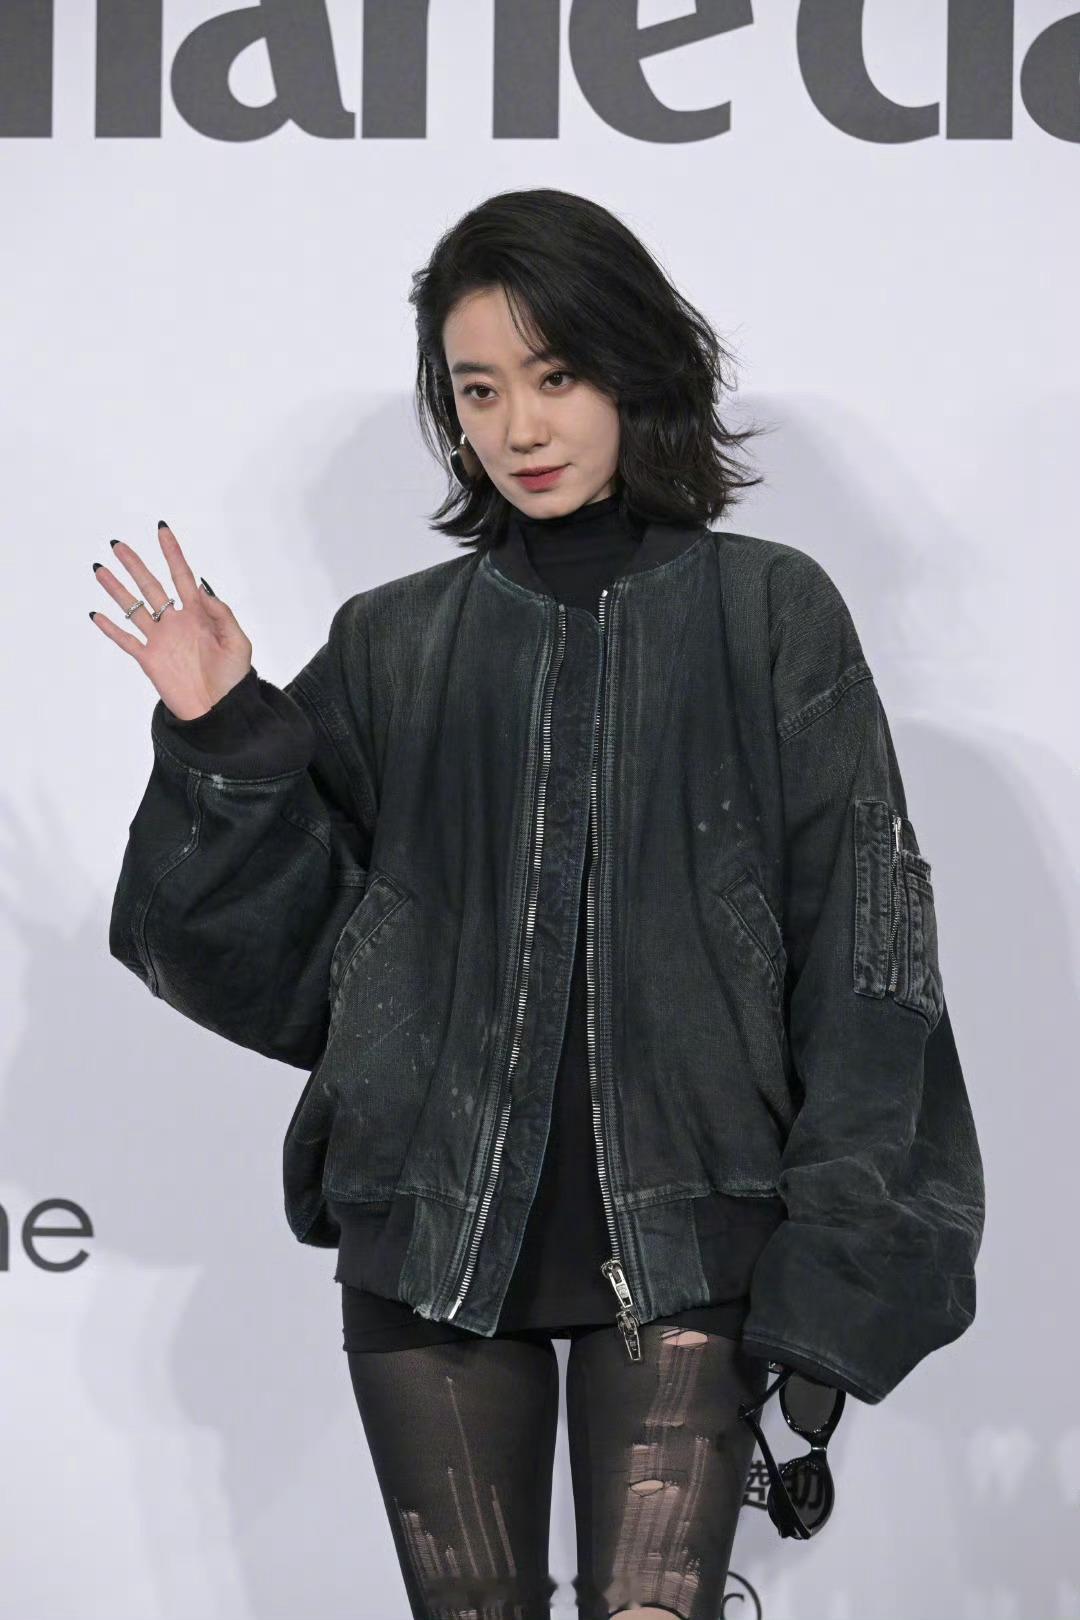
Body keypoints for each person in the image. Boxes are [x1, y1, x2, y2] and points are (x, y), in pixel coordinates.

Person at [96, 189, 985, 1619]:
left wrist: (844, 1252)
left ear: (636, 370)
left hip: (692, 1236)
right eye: (479, 389)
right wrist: (228, 738)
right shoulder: (395, 641)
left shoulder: (770, 612)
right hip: (432, 1239)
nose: (520, 426)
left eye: (556, 375)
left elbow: (869, 951)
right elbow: (268, 957)